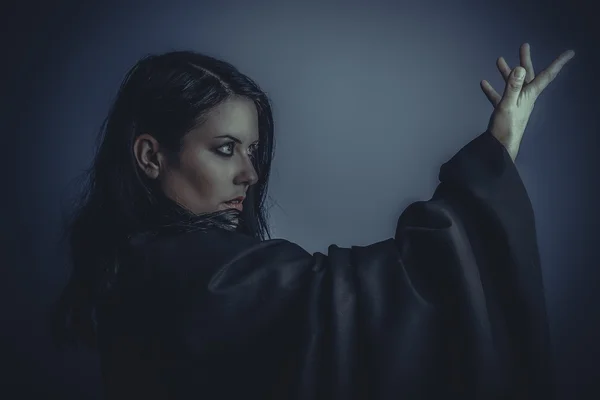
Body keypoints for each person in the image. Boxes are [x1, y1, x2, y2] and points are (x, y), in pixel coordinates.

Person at [52, 43, 575, 399]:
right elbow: (354, 298)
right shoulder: (175, 273)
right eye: (225, 149)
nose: (250, 174)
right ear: (150, 157)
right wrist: (493, 160)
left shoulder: (131, 263)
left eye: (252, 151)